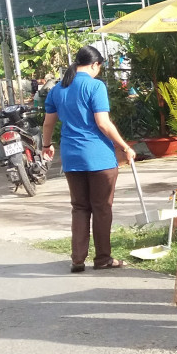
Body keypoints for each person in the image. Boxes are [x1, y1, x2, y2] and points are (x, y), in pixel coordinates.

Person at [41, 45, 135, 272]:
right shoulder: (95, 86)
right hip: (99, 157)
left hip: (72, 157)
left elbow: (48, 123)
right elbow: (103, 123)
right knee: (102, 208)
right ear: (95, 65)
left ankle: (77, 259)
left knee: (80, 207)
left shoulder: (58, 89)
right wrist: (124, 146)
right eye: (99, 67)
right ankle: (103, 259)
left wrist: (46, 145)